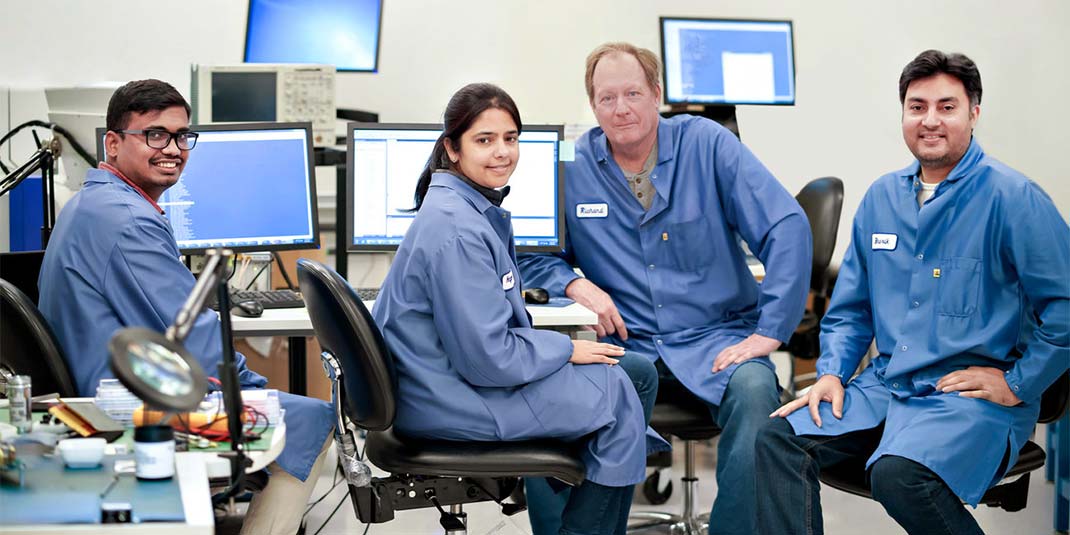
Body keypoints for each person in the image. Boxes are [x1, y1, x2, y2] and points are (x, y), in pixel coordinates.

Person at [757, 49, 1070, 534]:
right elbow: (851, 310)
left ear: (974, 114)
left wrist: (1017, 384)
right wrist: (833, 373)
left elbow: (1065, 309)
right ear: (903, 113)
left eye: (947, 107)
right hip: (888, 384)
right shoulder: (882, 198)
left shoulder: (1014, 199)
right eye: (917, 106)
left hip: (968, 399)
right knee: (779, 439)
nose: (930, 120)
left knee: (901, 476)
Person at [517, 43, 812, 535]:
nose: (621, 108)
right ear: (592, 105)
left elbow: (787, 226)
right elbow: (530, 255)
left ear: (657, 94)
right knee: (553, 406)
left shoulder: (707, 143)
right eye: (606, 97)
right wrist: (575, 284)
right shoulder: (570, 163)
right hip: (630, 347)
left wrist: (771, 331)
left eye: (633, 93)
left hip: (718, 340)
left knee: (758, 393)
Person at [37, 79, 334, 535]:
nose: (172, 147)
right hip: (132, 411)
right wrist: (249, 390)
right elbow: (194, 342)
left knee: (285, 410)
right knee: (310, 418)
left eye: (181, 136)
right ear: (113, 143)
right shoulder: (129, 221)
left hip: (105, 394)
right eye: (155, 134)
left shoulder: (95, 202)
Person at [371, 82, 668, 535]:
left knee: (634, 372)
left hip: (444, 383)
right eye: (484, 140)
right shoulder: (458, 231)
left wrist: (557, 350)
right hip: (448, 398)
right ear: (452, 148)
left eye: (510, 138)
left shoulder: (464, 208)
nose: (502, 152)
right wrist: (566, 351)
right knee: (622, 389)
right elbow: (489, 360)